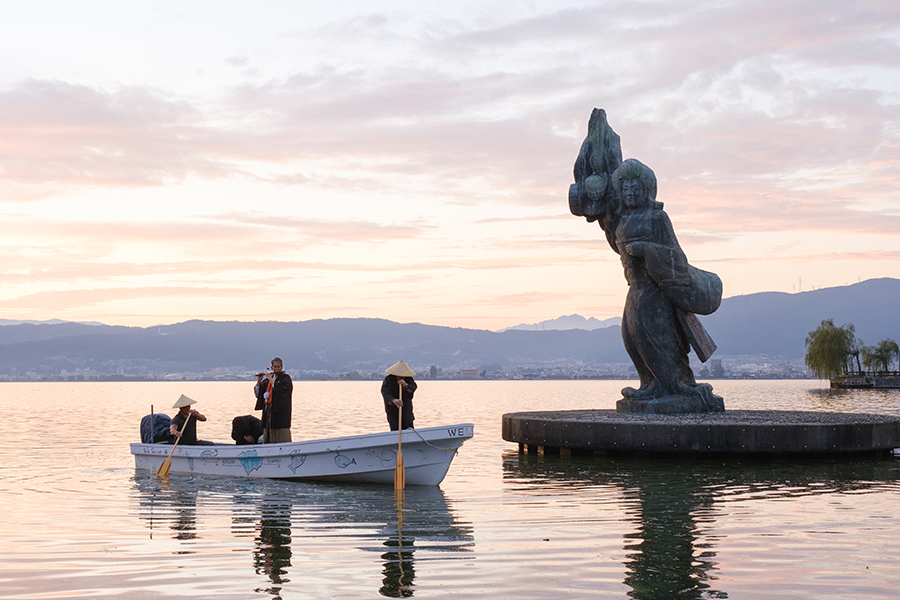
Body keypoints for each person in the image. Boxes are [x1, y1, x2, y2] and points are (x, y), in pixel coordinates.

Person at [255, 357, 293, 443]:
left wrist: (271, 380)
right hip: (268, 410)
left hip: (280, 411)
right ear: (271, 367)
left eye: (278, 366)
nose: (277, 368)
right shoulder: (267, 380)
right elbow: (259, 395)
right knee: (268, 431)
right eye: (275, 367)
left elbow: (283, 391)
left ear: (282, 367)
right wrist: (259, 382)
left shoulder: (285, 378)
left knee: (281, 432)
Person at [381, 360, 417, 431]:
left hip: (406, 410)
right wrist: (393, 400)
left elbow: (413, 387)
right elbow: (385, 392)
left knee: (409, 428)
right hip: (393, 411)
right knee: (395, 429)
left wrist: (406, 385)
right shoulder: (388, 379)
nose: (401, 377)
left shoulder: (408, 379)